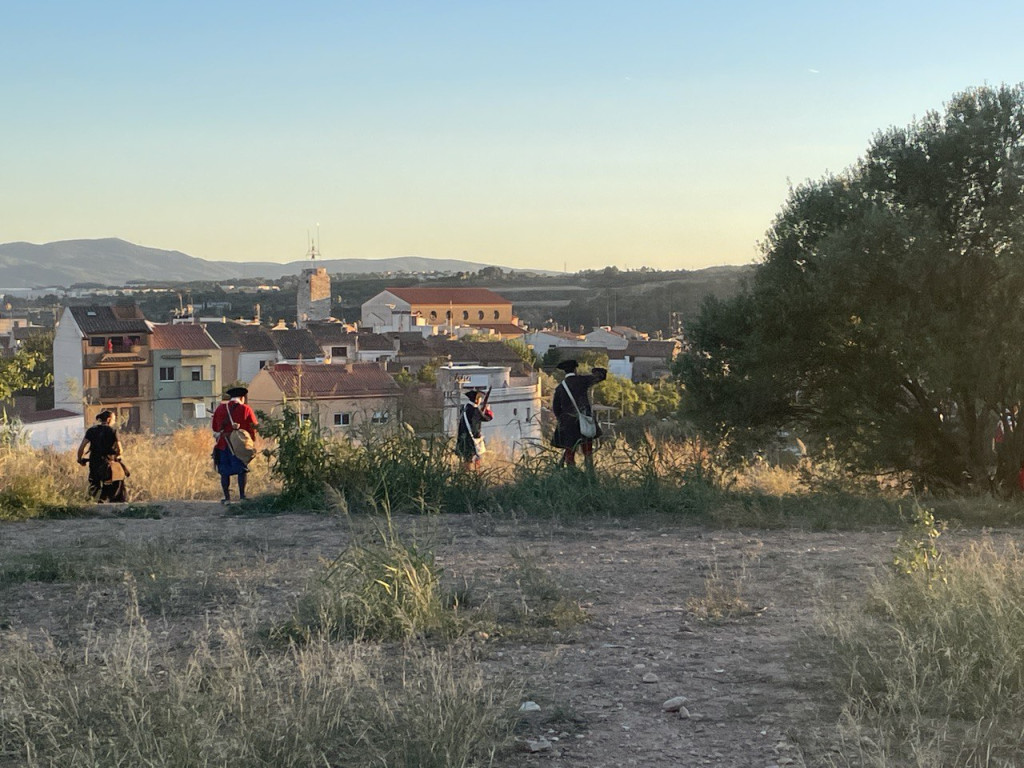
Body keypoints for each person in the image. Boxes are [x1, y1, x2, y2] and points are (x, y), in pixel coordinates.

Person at [551, 359, 607, 470]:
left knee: (569, 455)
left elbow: (556, 409)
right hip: (584, 421)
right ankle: (590, 476)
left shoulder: (560, 388)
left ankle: (572, 475)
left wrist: (563, 420)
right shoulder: (582, 381)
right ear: (575, 369)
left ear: (564, 372)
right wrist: (594, 370)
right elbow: (601, 375)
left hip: (568, 425)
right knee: (588, 454)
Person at [212, 386, 259, 504]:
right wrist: (251, 441)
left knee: (224, 472)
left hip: (223, 443)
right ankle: (242, 496)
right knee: (241, 470)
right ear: (242, 397)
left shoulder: (220, 408)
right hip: (238, 444)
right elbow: (253, 426)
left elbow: (215, 427)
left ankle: (227, 498)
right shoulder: (246, 409)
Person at [76, 410, 127, 502]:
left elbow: (81, 448)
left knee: (94, 486)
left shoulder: (91, 430)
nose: (114, 422)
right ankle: (106, 502)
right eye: (114, 419)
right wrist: (119, 456)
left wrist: (80, 459)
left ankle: (89, 503)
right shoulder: (112, 431)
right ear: (108, 419)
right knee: (116, 482)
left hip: (94, 462)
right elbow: (120, 449)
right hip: (108, 463)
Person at [455, 388, 493, 470]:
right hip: (471, 439)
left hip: (462, 437)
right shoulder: (475, 410)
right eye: (479, 398)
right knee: (472, 459)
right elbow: (487, 418)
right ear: (476, 399)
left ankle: (463, 474)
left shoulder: (464, 407)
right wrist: (487, 410)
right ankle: (472, 476)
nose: (480, 400)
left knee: (465, 459)